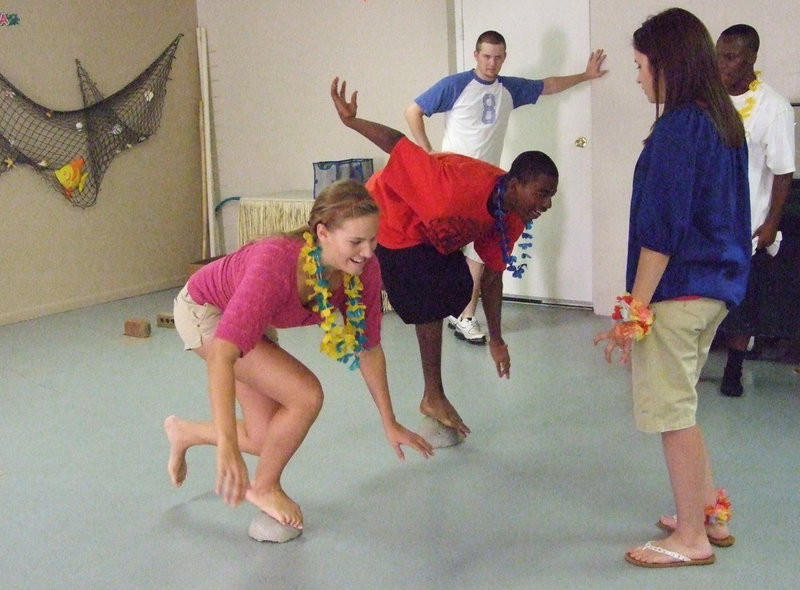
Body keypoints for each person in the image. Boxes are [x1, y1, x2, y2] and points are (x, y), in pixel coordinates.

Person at [164, 180, 433, 532]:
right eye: (356, 241)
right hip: (207, 310)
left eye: (372, 240)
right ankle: (264, 487)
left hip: (249, 317)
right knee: (305, 394)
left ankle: (183, 432)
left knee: (264, 438)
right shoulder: (275, 263)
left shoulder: (364, 270)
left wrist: (389, 421)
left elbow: (367, 347)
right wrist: (227, 445)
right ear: (322, 233)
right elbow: (222, 358)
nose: (367, 251)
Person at [593, 8, 750, 567]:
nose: (636, 76)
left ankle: (691, 538)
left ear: (665, 65)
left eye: (639, 65)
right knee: (683, 399)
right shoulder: (721, 119)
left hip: (681, 290)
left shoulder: (680, 127)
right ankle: (708, 508)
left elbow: (661, 231)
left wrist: (633, 310)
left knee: (671, 412)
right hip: (716, 286)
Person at [331, 77, 558, 443]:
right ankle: (432, 395)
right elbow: (398, 145)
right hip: (393, 215)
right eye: (542, 194)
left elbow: (493, 277)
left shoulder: (511, 215)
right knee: (427, 299)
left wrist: (497, 340)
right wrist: (353, 122)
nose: (546, 204)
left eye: (551, 197)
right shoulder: (454, 185)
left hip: (432, 233)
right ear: (515, 184)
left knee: (457, 288)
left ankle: (431, 393)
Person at [405, 31, 607, 344]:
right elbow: (413, 111)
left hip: (488, 185)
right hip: (451, 183)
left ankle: (465, 316)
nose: (492, 63)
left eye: (498, 56)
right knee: (445, 247)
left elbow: (547, 85)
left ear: (504, 57)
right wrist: (428, 152)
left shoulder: (509, 88)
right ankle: (452, 311)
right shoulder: (455, 85)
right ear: (475, 56)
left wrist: (586, 75)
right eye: (486, 56)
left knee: (479, 251)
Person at [713, 24, 796, 397]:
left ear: (751, 59)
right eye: (719, 55)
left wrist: (771, 222)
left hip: (746, 226)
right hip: (705, 222)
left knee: (742, 304)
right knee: (700, 300)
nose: (722, 64)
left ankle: (733, 368)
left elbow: (783, 171)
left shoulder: (773, 107)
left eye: (730, 57)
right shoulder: (707, 99)